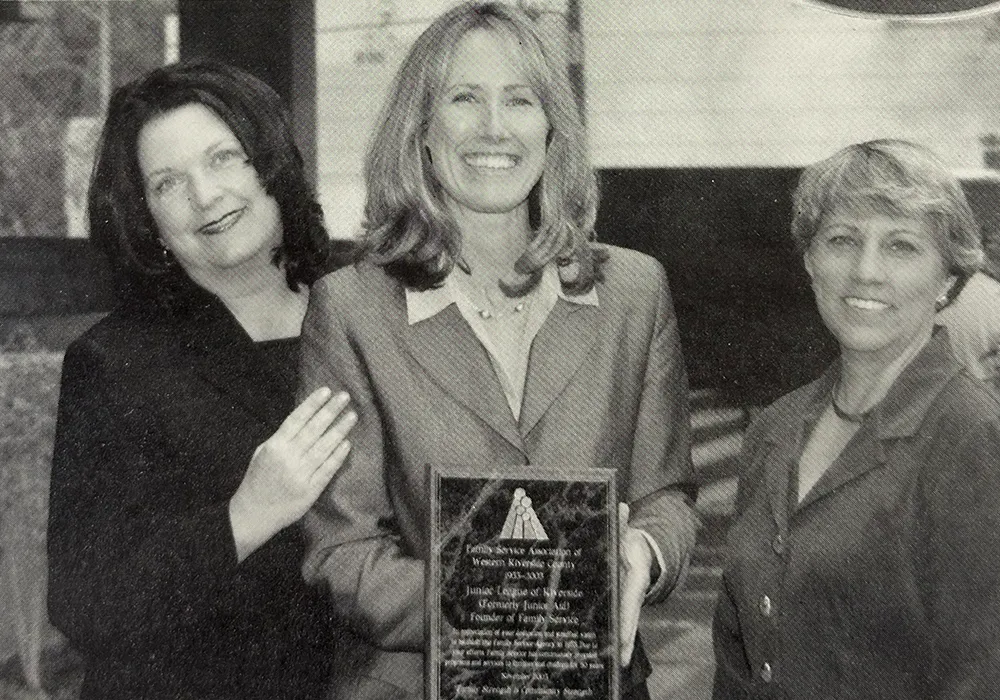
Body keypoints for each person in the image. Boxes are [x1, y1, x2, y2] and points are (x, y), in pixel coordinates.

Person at [297, 3, 698, 699]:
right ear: (420, 131)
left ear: (552, 130)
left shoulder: (635, 290)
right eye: (463, 99)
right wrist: (513, 609)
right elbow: (343, 553)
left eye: (520, 100)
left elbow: (667, 496)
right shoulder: (351, 308)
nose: (493, 127)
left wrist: (643, 552)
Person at [47, 61, 357, 700]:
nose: (206, 196)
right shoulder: (114, 362)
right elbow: (83, 602)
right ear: (146, 217)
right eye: (168, 183)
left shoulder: (367, 309)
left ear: (270, 163)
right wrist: (245, 516)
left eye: (225, 159)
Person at [712, 139, 1000, 699]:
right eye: (842, 240)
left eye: (901, 246)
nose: (866, 271)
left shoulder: (971, 437)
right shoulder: (775, 429)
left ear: (948, 279)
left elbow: (984, 675)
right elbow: (737, 652)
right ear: (811, 262)